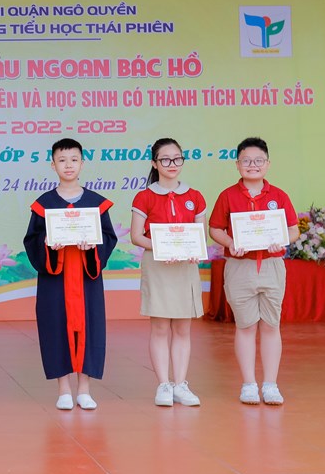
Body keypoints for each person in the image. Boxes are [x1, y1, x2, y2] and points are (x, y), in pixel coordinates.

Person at [23, 139, 117, 410]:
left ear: (82, 164)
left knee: (90, 328)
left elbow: (108, 237)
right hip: (56, 278)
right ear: (53, 165)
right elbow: (31, 240)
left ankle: (84, 389)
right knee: (55, 328)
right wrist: (48, 246)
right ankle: (63, 389)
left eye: (74, 160)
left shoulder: (96, 203)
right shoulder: (44, 204)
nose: (68, 165)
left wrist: (93, 247)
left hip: (87, 278)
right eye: (62, 160)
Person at [208, 137, 300, 406]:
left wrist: (282, 239)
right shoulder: (227, 195)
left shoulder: (279, 196)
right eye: (246, 161)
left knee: (271, 325)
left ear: (268, 164)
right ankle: (248, 384)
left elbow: (294, 230)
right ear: (237, 164)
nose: (252, 165)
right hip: (240, 267)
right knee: (245, 326)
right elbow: (215, 229)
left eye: (258, 160)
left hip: (271, 265)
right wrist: (230, 242)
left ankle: (270, 384)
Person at [129, 138, 206, 408]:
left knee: (183, 328)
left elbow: (199, 235)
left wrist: (193, 249)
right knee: (160, 327)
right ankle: (163, 384)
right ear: (154, 163)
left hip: (185, 267)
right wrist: (163, 247)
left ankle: (180, 384)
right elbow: (136, 236)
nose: (172, 164)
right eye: (165, 159)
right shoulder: (144, 196)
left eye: (177, 158)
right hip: (158, 266)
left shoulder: (195, 196)